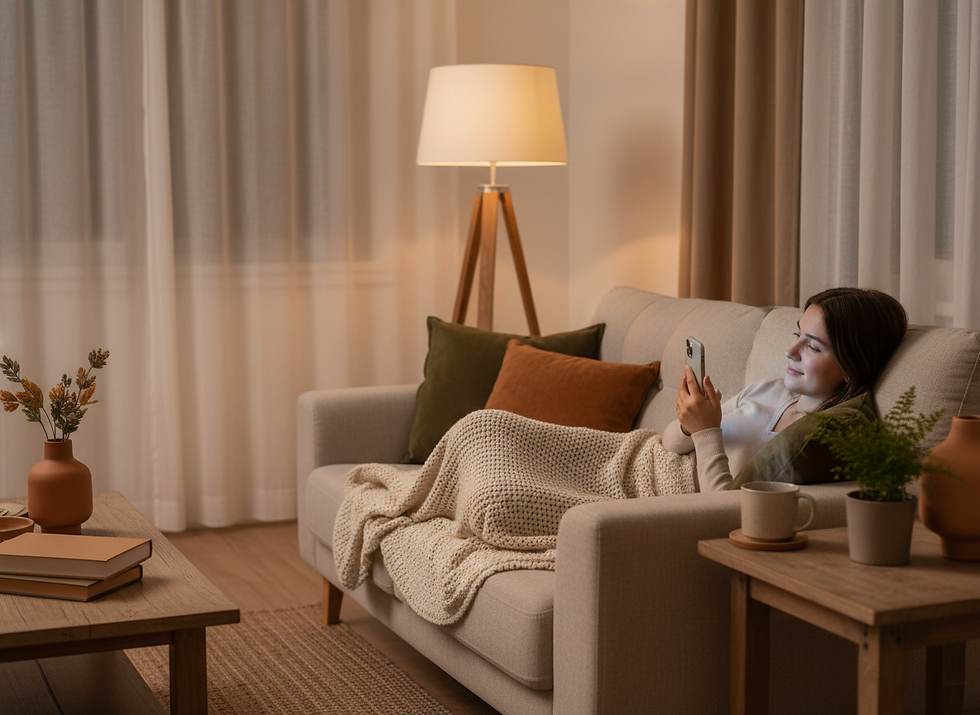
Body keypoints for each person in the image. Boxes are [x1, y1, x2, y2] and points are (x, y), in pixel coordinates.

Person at [662, 287, 908, 492]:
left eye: (812, 346)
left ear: (851, 368)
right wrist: (689, 425)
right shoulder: (767, 390)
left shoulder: (808, 443)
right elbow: (669, 443)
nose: (790, 351)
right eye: (797, 334)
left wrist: (706, 432)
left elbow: (721, 510)